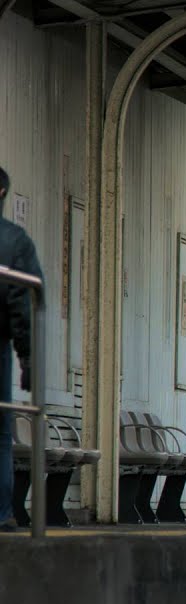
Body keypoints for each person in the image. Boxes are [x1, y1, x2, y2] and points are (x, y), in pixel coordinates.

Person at [0, 167, 43, 533]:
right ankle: (0, 512)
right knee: (0, 431)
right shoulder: (14, 242)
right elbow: (25, 303)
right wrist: (27, 358)